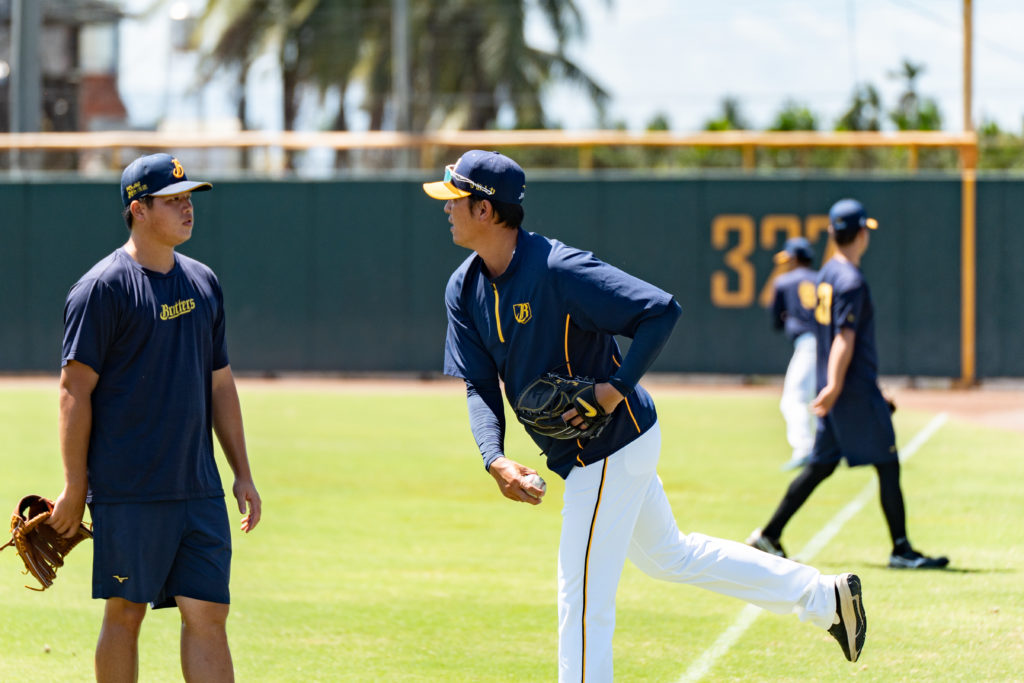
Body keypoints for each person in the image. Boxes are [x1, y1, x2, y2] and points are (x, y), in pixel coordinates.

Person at [425, 150, 867, 681]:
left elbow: (660, 311)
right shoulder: (464, 287)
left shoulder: (558, 269)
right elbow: (479, 384)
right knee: (671, 558)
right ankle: (824, 597)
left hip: (612, 444)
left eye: (456, 198)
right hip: (593, 450)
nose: (446, 208)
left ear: (487, 211)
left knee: (581, 598)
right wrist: (494, 458)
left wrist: (613, 389)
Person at [48, 153, 262, 682]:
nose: (188, 209)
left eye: (189, 199)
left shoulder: (203, 282)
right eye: (174, 201)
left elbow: (220, 383)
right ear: (138, 209)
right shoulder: (102, 288)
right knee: (126, 612)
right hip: (130, 489)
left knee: (209, 611)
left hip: (198, 487)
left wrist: (242, 472)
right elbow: (74, 390)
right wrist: (76, 486)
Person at [747, 198, 948, 571]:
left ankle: (769, 535)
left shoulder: (827, 273)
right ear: (860, 234)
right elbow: (844, 337)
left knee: (821, 466)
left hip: (839, 386)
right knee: (887, 463)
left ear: (831, 234)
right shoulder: (851, 279)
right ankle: (901, 549)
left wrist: (838, 384)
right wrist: (841, 386)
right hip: (849, 390)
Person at [769, 237, 819, 471]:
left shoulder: (783, 281)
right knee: (821, 396)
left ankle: (804, 449)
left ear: (796, 258)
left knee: (792, 399)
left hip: (808, 343)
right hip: (828, 343)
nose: (785, 263)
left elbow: (776, 320)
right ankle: (824, 447)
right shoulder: (822, 279)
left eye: (788, 259)